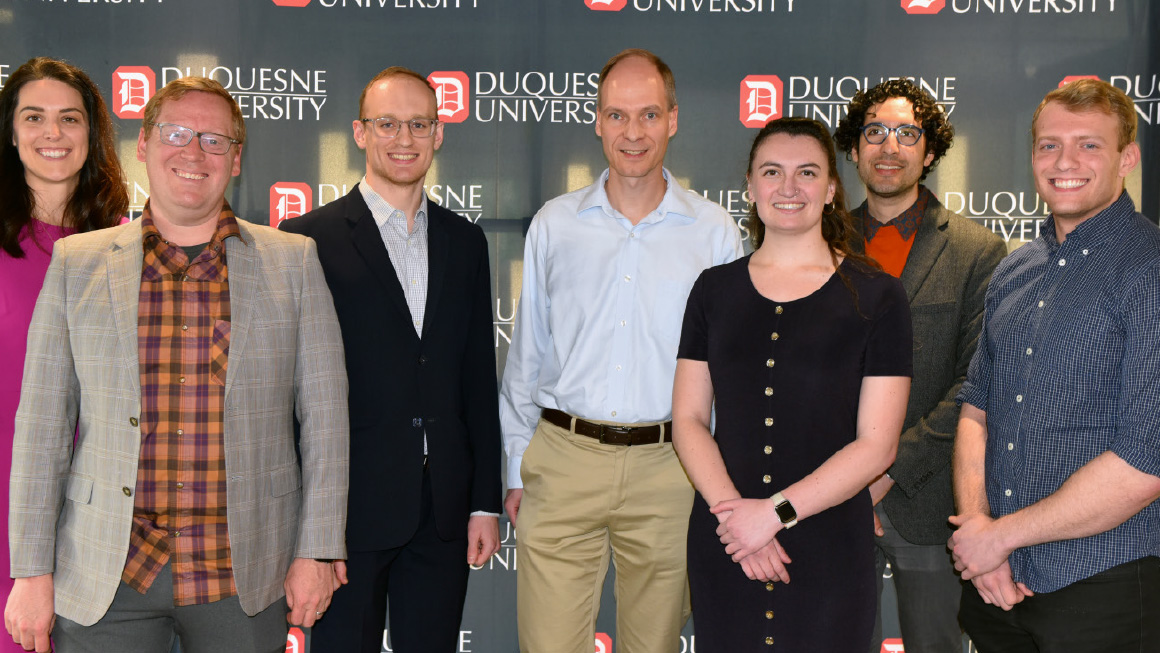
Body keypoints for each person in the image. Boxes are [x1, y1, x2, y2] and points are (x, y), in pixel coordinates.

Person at [4, 76, 349, 653]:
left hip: (244, 574)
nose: (194, 153)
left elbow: (326, 420)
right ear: (143, 144)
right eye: (176, 133)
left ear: (236, 159)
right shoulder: (76, 264)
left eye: (214, 140)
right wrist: (32, 571)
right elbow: (40, 428)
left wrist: (316, 550)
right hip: (107, 575)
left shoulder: (293, 263)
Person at [500, 48, 743, 653]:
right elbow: (527, 355)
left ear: (674, 120)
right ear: (598, 120)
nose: (633, 132)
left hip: (671, 468)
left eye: (649, 114)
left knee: (653, 646)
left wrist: (715, 483)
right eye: (617, 115)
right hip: (561, 460)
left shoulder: (715, 232)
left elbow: (726, 372)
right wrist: (515, 467)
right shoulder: (555, 224)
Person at [279, 66, 502, 652]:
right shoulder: (306, 240)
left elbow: (477, 377)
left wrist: (484, 502)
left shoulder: (466, 241)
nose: (403, 139)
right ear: (359, 132)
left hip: (444, 509)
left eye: (418, 124)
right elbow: (288, 394)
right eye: (387, 124)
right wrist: (309, 531)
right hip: (346, 508)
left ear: (438, 134)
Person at [672, 116, 912, 652]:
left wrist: (773, 515)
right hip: (726, 540)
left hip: (828, 545)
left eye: (807, 173)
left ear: (830, 190)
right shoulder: (712, 292)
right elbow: (687, 421)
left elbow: (878, 445)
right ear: (751, 187)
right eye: (772, 172)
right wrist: (738, 522)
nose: (788, 188)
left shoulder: (877, 297)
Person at [949, 79, 1160, 652]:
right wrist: (977, 531)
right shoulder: (1014, 270)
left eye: (1088, 145)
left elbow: (1145, 461)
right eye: (1049, 145)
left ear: (1127, 158)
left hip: (1103, 586)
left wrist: (999, 537)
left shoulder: (1149, 268)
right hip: (997, 587)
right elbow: (976, 409)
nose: (1064, 161)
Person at [832, 79, 1006, 652]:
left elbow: (975, 381)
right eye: (874, 132)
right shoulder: (818, 242)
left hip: (925, 499)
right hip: (827, 493)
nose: (889, 146)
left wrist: (886, 470)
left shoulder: (976, 251)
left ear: (929, 153)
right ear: (854, 150)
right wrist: (847, 476)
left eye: (907, 133)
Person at [0, 56, 129, 653]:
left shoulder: (129, 242)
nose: (52, 134)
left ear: (92, 133)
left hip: (98, 498)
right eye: (34, 117)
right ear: (10, 130)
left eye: (69, 118)